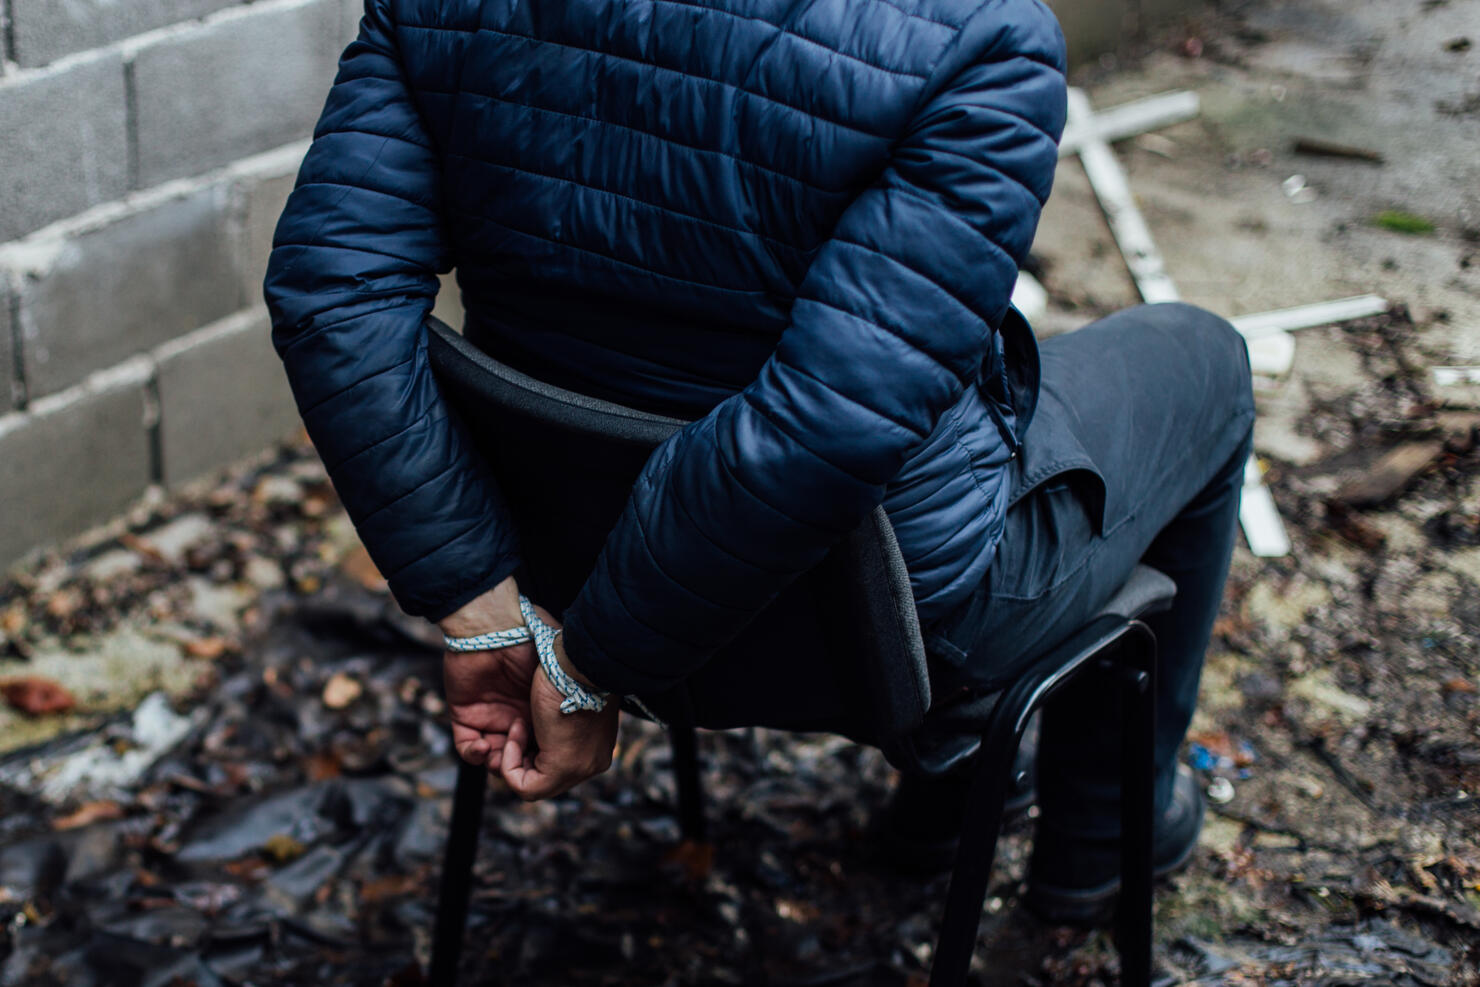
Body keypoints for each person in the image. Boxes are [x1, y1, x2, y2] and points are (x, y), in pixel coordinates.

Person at [264, 0, 1254, 924]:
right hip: (888, 632)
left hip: (557, 574)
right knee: (1203, 359)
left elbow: (330, 296)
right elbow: (820, 430)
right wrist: (586, 670)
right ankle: (1097, 843)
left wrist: (482, 606)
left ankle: (951, 797)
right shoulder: (974, 34)